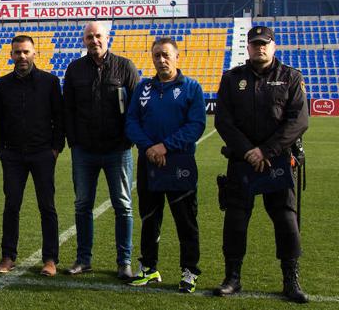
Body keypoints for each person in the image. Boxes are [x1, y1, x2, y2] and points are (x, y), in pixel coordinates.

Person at [214, 26, 309, 303]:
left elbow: (299, 121)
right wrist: (248, 152)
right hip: (242, 161)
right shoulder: (232, 79)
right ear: (248, 47)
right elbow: (224, 121)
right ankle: (232, 278)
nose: (260, 48)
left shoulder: (291, 77)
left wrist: (266, 151)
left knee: (286, 220)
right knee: (235, 220)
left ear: (273, 46)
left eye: (264, 43)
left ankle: (290, 281)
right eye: (255, 44)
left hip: (277, 159)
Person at [125, 37, 206, 293]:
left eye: (166, 55)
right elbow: (131, 122)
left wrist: (165, 146)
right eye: (156, 55)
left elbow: (196, 125)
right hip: (148, 161)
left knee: (185, 219)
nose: (161, 60)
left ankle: (190, 271)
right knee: (149, 217)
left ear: (177, 57)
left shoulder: (191, 87)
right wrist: (149, 147)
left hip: (179, 162)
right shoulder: (144, 88)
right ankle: (149, 268)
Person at [63, 21, 140, 279]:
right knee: (83, 205)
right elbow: (68, 110)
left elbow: (136, 108)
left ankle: (124, 261)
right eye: (89, 37)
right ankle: (83, 259)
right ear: (83, 40)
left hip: (117, 151)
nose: (94, 40)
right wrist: (74, 142)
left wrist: (127, 138)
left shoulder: (125, 66)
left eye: (98, 36)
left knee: (123, 206)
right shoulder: (74, 70)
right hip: (84, 151)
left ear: (108, 38)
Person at [0, 35, 64, 277]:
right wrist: (0, 150)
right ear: (11, 55)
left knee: (47, 207)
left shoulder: (50, 82)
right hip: (12, 155)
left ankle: (50, 259)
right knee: (11, 206)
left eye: (25, 52)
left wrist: (55, 149)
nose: (21, 56)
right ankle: (8, 256)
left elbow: (59, 119)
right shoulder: (2, 85)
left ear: (35, 53)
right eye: (17, 52)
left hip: (42, 154)